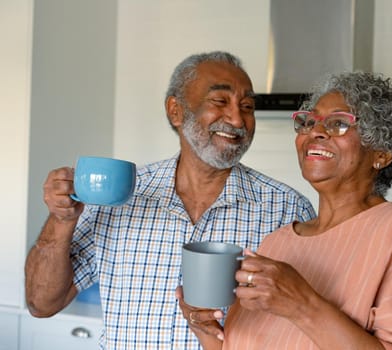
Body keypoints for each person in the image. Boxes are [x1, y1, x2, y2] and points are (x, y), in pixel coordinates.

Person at [24, 51, 316, 349]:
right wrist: (62, 219)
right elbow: (41, 303)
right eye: (220, 101)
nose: (237, 118)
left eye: (248, 106)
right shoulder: (120, 196)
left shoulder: (287, 209)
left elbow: (307, 328)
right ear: (176, 111)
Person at [177, 71, 392, 349]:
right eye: (308, 122)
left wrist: (303, 304)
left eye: (338, 123)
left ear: (381, 153)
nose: (315, 131)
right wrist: (206, 332)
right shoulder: (278, 243)